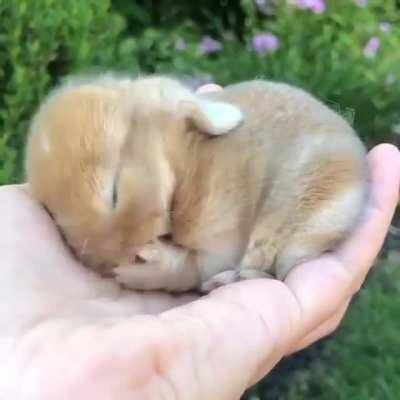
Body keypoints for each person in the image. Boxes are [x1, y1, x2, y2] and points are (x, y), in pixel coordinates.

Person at [0, 85, 399, 400]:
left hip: (306, 190)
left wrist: (175, 269)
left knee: (282, 243)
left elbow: (211, 252)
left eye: (116, 194)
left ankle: (265, 262)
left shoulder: (200, 178)